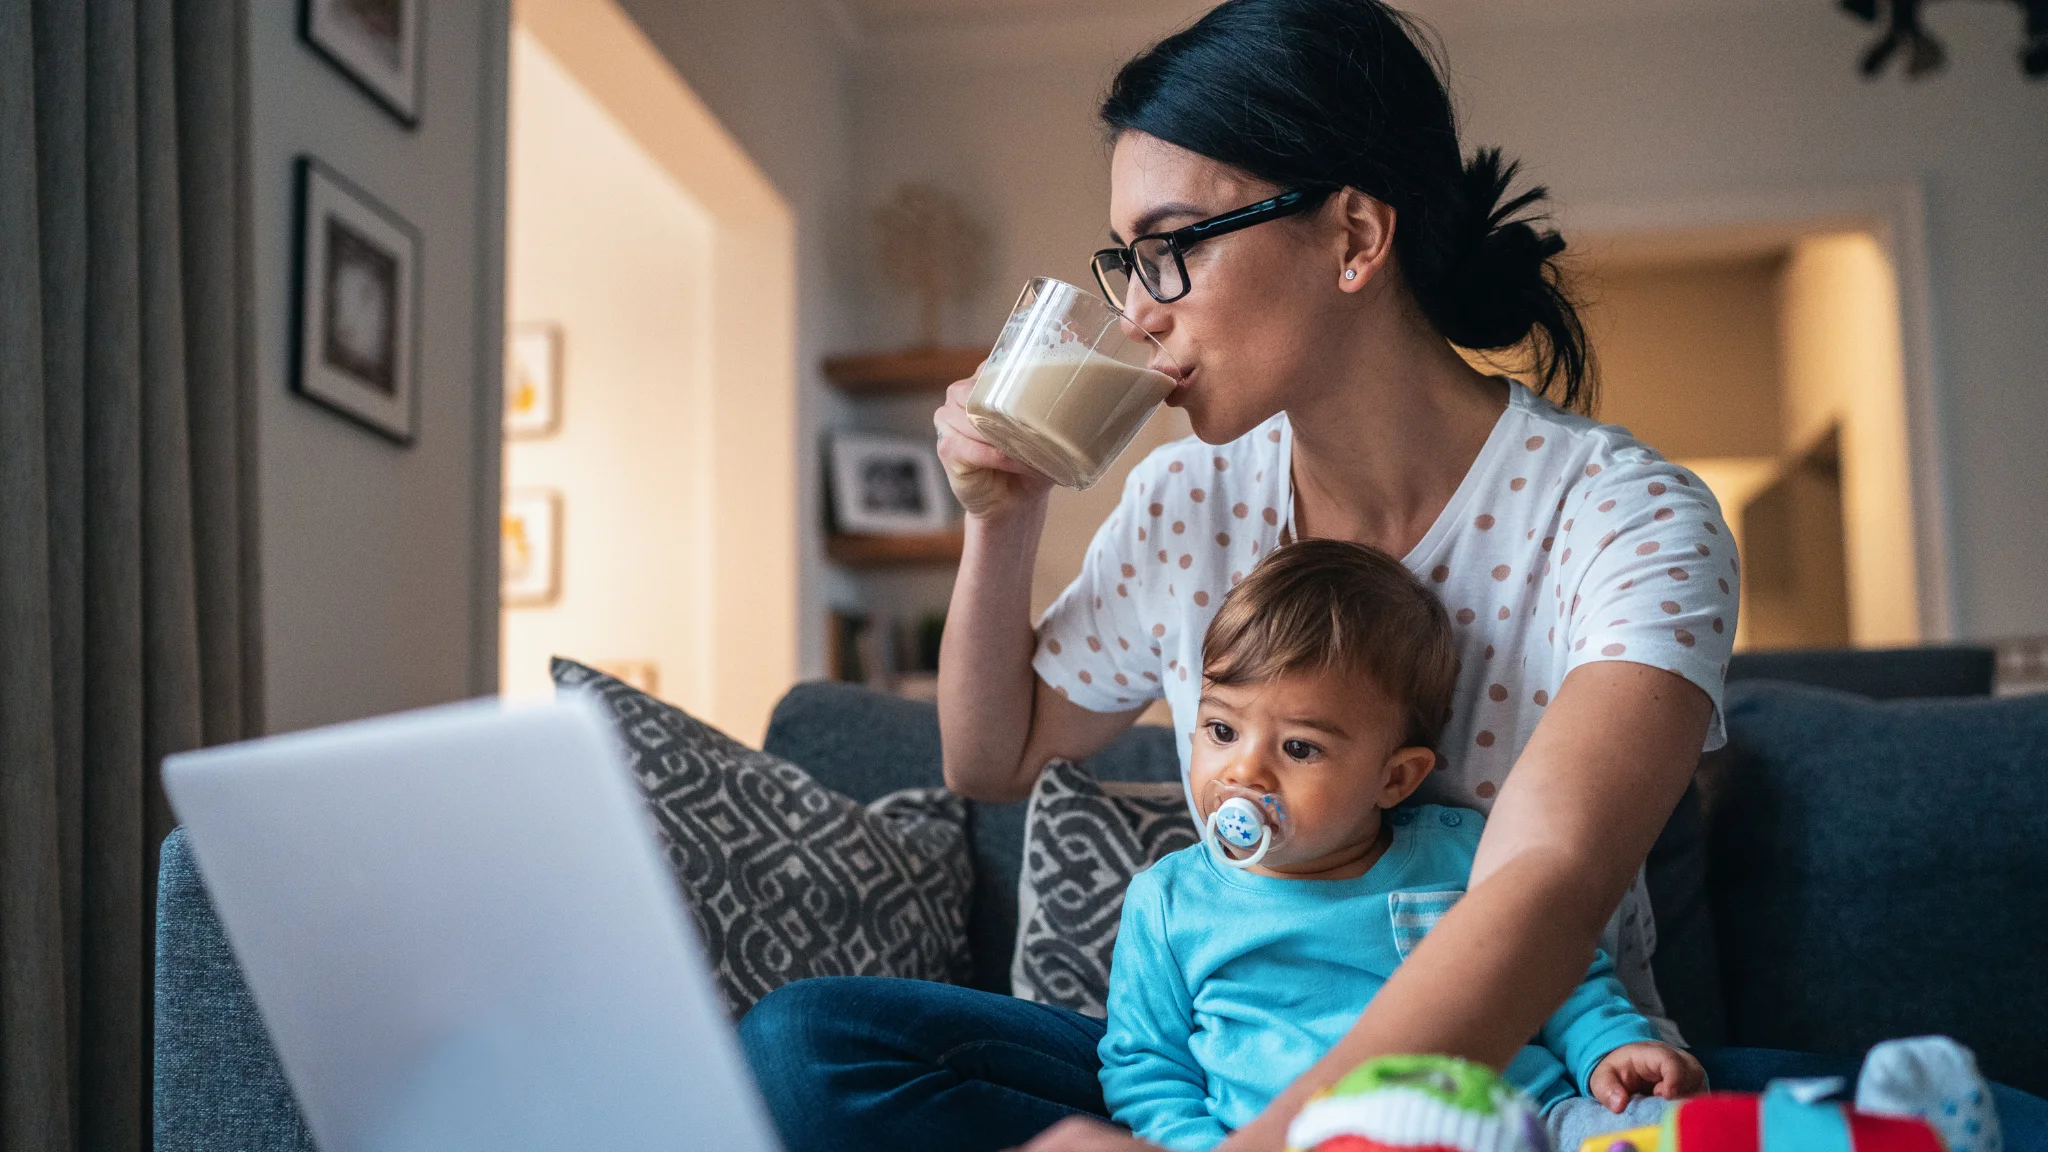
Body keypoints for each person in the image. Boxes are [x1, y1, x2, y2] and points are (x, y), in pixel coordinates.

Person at [737, 2, 1753, 1149]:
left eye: (1170, 247)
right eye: (1125, 260)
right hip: (1226, 1079)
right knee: (808, 1044)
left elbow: (1541, 889)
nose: (1135, 311)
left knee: (1986, 1121)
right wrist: (1003, 519)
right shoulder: (1185, 503)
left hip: (1521, 1083)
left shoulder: (1626, 517)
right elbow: (991, 760)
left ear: (1353, 237)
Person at [1098, 539, 1704, 1152]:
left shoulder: (1465, 853)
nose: (1244, 772)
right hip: (1295, 1143)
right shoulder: (1169, 903)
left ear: (1395, 778)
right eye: (1222, 730)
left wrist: (1610, 1047)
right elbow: (1149, 1073)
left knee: (1662, 1130)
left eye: (1299, 748)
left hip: (1519, 1124)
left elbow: (1558, 978)